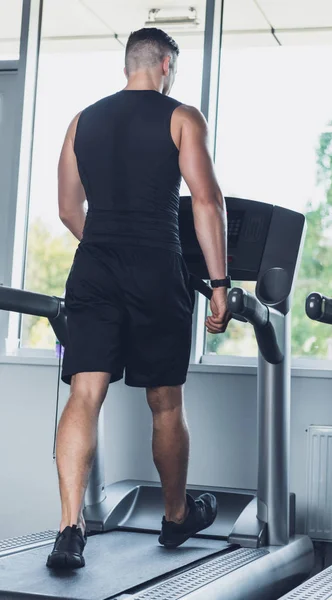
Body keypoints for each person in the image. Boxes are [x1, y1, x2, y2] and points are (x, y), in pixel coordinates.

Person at [46, 27, 230, 570]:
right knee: (165, 400)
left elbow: (65, 209)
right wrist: (219, 285)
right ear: (167, 65)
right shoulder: (181, 117)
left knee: (84, 394)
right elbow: (206, 200)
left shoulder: (82, 120)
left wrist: (105, 246)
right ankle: (176, 517)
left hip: (95, 263)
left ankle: (68, 529)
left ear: (129, 64)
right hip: (157, 265)